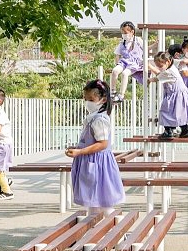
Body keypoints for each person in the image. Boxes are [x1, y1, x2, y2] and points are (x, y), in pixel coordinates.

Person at [65, 80, 125, 216]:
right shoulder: (93, 118)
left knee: (104, 203)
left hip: (98, 165)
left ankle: (117, 227)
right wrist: (78, 147)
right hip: (92, 163)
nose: (88, 102)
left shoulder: (99, 119)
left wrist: (80, 151)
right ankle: (94, 227)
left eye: (91, 99)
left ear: (103, 100)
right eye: (86, 99)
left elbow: (102, 144)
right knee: (93, 202)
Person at [148, 51, 188, 139]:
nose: (159, 68)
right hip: (180, 94)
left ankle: (168, 131)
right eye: (157, 66)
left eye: (160, 66)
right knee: (180, 113)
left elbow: (157, 77)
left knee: (165, 111)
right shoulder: (173, 66)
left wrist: (149, 79)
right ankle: (185, 130)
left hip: (175, 95)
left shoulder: (168, 72)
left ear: (168, 62)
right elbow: (160, 73)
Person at [110, 21, 145, 103]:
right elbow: (117, 54)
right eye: (122, 33)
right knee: (114, 71)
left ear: (132, 32)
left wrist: (155, 45)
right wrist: (117, 64)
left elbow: (146, 48)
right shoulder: (122, 42)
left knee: (125, 73)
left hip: (134, 63)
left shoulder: (137, 40)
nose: (124, 35)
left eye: (125, 33)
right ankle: (113, 92)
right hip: (124, 62)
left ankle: (121, 95)